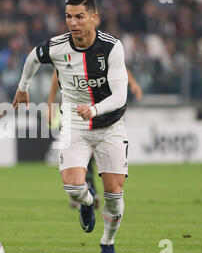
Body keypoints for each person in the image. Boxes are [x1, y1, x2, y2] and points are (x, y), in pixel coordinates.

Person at [13, 0, 129, 253]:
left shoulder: (112, 48)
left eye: (79, 16)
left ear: (94, 17)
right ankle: (87, 202)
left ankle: (108, 242)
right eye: (68, 16)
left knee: (114, 193)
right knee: (72, 186)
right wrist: (23, 88)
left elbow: (120, 96)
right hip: (75, 124)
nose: (73, 22)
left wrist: (96, 109)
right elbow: (32, 57)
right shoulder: (57, 47)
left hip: (110, 125)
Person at [48, 68, 143, 210]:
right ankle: (85, 191)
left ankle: (86, 191)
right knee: (78, 153)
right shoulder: (69, 54)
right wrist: (50, 104)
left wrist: (133, 82)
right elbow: (57, 74)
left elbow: (120, 68)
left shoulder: (105, 52)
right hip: (75, 113)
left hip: (102, 113)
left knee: (91, 154)